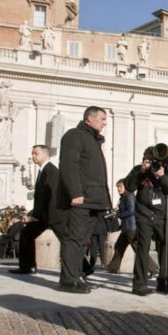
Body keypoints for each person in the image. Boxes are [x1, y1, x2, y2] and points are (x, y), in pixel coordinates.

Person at [56, 106, 112, 294]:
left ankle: (77, 276)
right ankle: (68, 280)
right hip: (81, 199)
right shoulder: (75, 135)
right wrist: (75, 193)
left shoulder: (93, 140)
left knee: (82, 241)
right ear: (90, 118)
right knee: (74, 239)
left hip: (93, 200)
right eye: (102, 119)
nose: (105, 122)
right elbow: (68, 165)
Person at [124, 146, 168, 295]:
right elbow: (128, 186)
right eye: (146, 158)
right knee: (143, 247)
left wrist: (162, 176)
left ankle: (164, 280)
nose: (148, 162)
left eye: (151, 159)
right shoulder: (139, 170)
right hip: (144, 214)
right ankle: (139, 284)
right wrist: (141, 172)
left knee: (167, 246)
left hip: (163, 215)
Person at [10, 145, 64, 274]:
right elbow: (40, 197)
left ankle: (84, 267)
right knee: (26, 234)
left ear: (45, 155)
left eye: (36, 153)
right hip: (44, 215)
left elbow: (49, 195)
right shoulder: (43, 171)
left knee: (67, 241)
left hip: (52, 215)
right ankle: (28, 266)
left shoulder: (51, 171)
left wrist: (38, 215)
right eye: (32, 153)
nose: (33, 156)